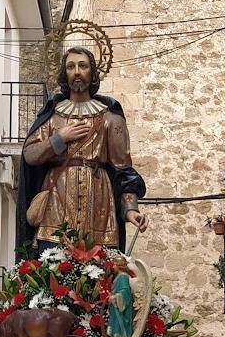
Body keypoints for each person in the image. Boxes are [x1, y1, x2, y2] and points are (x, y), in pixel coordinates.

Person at [19, 46, 148, 254]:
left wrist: (130, 209)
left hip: (99, 204)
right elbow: (30, 155)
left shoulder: (110, 119)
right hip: (56, 202)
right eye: (71, 66)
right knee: (53, 265)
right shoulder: (52, 116)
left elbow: (123, 169)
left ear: (92, 72)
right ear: (65, 73)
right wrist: (59, 138)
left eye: (83, 66)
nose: (77, 71)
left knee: (101, 270)